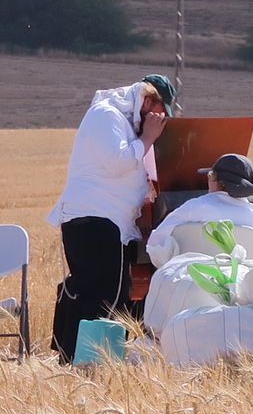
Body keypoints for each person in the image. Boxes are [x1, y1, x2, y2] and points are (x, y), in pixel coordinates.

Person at [47, 74, 176, 362]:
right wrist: (147, 138)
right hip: (96, 220)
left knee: (99, 292)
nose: (158, 120)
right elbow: (117, 162)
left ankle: (76, 359)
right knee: (104, 296)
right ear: (148, 100)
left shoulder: (125, 123)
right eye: (159, 112)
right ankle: (90, 361)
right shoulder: (106, 115)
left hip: (106, 221)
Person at [145, 153, 253, 267]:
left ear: (214, 179)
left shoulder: (193, 208)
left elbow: (155, 245)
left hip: (192, 286)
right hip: (243, 291)